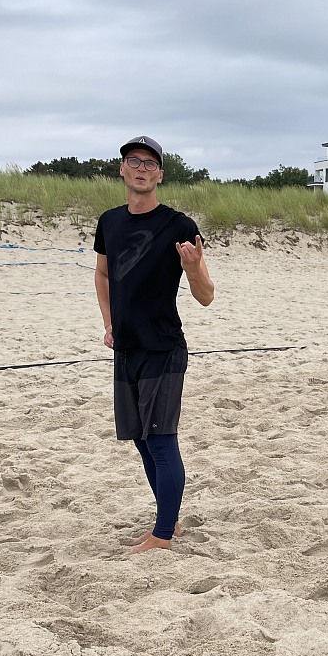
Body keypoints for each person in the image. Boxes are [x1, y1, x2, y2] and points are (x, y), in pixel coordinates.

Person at [94, 135, 215, 555]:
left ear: (160, 174)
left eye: (150, 163)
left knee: (162, 441)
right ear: (122, 169)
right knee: (143, 440)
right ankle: (170, 519)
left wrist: (193, 268)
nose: (141, 168)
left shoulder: (179, 226)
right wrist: (109, 322)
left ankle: (162, 535)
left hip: (163, 347)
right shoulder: (109, 221)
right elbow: (103, 274)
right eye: (134, 161)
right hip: (126, 348)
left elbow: (206, 296)